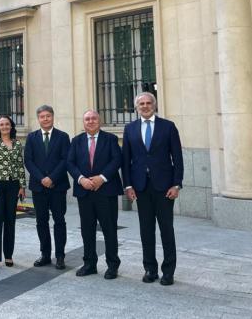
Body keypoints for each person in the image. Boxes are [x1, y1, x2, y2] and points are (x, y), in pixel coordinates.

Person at [122, 92, 183, 286]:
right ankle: (150, 269)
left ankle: (168, 271)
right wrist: (128, 185)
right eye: (142, 104)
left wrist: (177, 184)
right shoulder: (130, 129)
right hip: (141, 187)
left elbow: (178, 158)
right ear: (137, 107)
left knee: (166, 229)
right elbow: (126, 161)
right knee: (146, 230)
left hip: (164, 187)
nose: (145, 106)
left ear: (154, 105)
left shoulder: (168, 127)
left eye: (149, 103)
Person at [67, 110, 123, 279]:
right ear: (83, 122)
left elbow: (117, 160)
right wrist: (81, 179)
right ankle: (90, 264)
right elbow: (70, 163)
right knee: (87, 229)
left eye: (94, 118)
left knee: (109, 229)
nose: (90, 121)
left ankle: (112, 265)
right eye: (87, 119)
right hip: (84, 192)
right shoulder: (76, 141)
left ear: (100, 121)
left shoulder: (111, 139)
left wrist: (102, 178)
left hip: (106, 191)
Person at [24, 104, 70, 270]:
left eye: (48, 116)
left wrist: (51, 178)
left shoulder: (63, 137)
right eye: (42, 117)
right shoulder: (31, 137)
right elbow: (28, 160)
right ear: (38, 119)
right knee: (41, 221)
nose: (45, 119)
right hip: (38, 187)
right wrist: (42, 178)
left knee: (59, 221)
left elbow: (66, 160)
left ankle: (60, 256)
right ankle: (45, 254)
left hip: (58, 186)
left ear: (52, 117)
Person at [0, 115, 25, 271]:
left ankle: (8, 255)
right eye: (1, 124)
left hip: (13, 185)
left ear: (11, 126)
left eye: (7, 124)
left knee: (10, 220)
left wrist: (22, 186)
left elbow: (20, 165)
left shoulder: (17, 144)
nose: (4, 127)